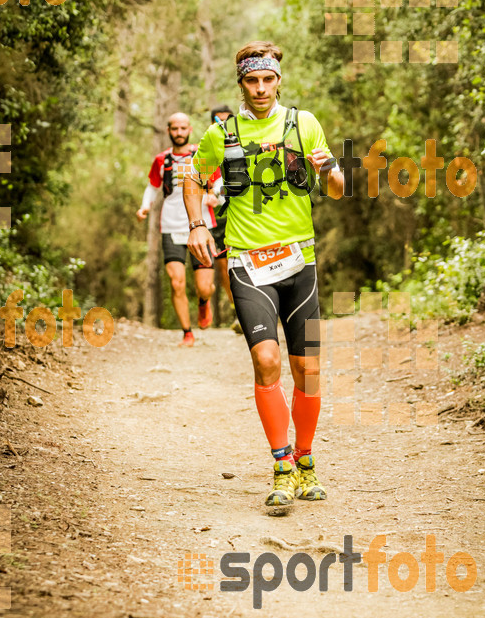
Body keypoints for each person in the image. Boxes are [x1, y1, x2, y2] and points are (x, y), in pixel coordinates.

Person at [183, 41, 343, 512]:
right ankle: (281, 466)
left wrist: (328, 167)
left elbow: (337, 189)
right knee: (268, 362)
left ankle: (307, 459)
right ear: (241, 84)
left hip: (301, 263)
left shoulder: (303, 124)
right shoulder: (221, 133)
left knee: (308, 371)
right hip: (248, 264)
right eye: (251, 80)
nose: (260, 88)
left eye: (267, 79)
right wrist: (196, 225)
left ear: (278, 80)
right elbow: (192, 179)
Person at [136, 112, 217, 347]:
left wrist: (215, 196)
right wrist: (144, 207)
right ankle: (187, 332)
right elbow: (152, 187)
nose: (179, 133)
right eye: (175, 129)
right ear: (168, 131)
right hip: (171, 226)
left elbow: (219, 182)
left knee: (204, 286)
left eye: (183, 128)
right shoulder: (161, 160)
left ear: (190, 129)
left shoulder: (202, 155)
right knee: (176, 282)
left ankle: (204, 302)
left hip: (202, 225)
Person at [207, 105, 243, 334]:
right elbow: (193, 183)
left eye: (227, 120)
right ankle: (236, 307)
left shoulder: (243, 145)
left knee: (242, 261)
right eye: (218, 121)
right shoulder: (205, 150)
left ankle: (246, 312)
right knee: (223, 268)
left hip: (241, 215)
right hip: (218, 219)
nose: (223, 124)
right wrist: (206, 194)